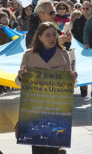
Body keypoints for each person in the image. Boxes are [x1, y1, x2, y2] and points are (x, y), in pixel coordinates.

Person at [16, 22, 77, 154]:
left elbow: (70, 88)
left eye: (54, 35)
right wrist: (21, 76)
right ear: (39, 37)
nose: (51, 38)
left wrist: (72, 78)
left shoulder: (64, 55)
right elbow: (20, 84)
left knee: (53, 146)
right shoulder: (28, 55)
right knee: (37, 146)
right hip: (35, 109)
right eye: (47, 35)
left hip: (56, 109)